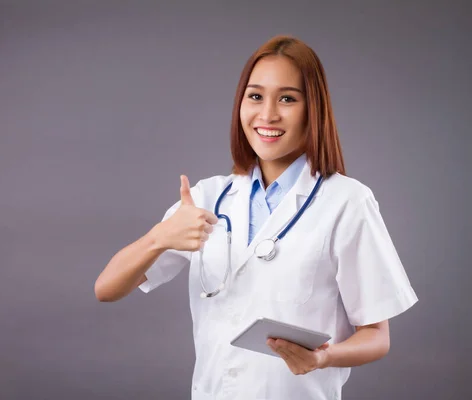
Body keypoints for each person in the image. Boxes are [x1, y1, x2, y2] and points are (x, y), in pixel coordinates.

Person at [94, 35, 418, 400]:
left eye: (287, 99)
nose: (267, 115)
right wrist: (160, 237)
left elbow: (376, 336)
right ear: (240, 105)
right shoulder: (207, 197)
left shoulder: (347, 201)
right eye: (255, 96)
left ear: (314, 109)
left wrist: (324, 358)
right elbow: (106, 289)